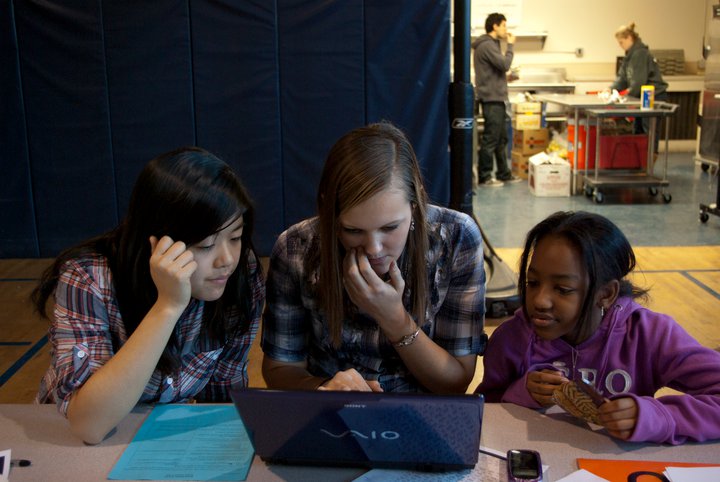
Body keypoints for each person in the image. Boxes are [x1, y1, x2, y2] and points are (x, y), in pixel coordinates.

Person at [32, 146, 265, 444]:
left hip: (158, 441)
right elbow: (89, 425)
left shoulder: (241, 274)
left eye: (235, 237)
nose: (227, 260)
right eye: (205, 245)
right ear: (156, 241)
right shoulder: (89, 277)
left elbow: (224, 397)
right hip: (64, 442)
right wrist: (167, 307)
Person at [261, 122, 486, 394]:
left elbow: (456, 383)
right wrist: (325, 387)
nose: (374, 249)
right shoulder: (296, 248)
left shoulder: (457, 238)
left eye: (390, 228)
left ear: (415, 205)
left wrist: (394, 319)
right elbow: (280, 368)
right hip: (329, 409)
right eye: (353, 230)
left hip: (423, 409)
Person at [475, 211, 720, 445]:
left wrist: (654, 416)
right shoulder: (511, 339)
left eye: (562, 289)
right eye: (533, 282)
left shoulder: (650, 335)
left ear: (606, 294)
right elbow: (484, 412)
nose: (540, 300)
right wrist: (521, 392)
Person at [472, 12, 522, 187]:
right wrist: (511, 45)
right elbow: (505, 64)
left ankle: (503, 173)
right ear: (495, 26)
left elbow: (494, 72)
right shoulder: (487, 45)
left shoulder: (489, 45)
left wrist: (506, 79)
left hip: (496, 97)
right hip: (492, 99)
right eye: (504, 25)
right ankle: (485, 176)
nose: (506, 30)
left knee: (501, 139)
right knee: (491, 139)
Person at [609, 22, 669, 156]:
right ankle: (639, 159)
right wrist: (611, 89)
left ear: (629, 38)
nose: (620, 45)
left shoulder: (640, 54)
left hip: (653, 96)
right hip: (641, 97)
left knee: (649, 131)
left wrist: (624, 97)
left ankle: (649, 160)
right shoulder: (629, 56)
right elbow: (622, 77)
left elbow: (638, 82)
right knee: (639, 129)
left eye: (621, 42)